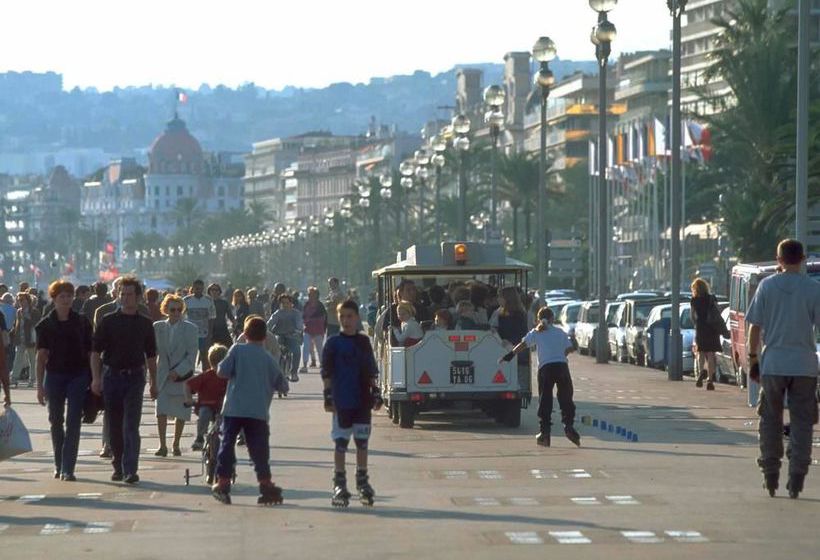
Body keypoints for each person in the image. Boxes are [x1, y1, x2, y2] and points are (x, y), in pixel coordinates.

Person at [746, 239, 820, 499]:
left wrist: (753, 358)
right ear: (802, 260)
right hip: (804, 365)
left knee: (770, 418)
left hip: (774, 363)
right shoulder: (813, 289)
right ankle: (797, 475)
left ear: (778, 260)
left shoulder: (766, 287)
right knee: (802, 421)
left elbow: (754, 326)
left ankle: (770, 472)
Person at [211, 316, 288, 505]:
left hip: (234, 409)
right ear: (265, 337)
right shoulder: (268, 358)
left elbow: (222, 371)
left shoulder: (237, 350)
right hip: (258, 411)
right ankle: (266, 484)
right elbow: (283, 385)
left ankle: (223, 483)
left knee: (227, 444)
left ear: (244, 335)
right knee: (259, 450)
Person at [90, 276, 158, 484]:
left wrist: (154, 382)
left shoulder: (145, 323)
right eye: (122, 294)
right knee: (115, 425)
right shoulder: (108, 321)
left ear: (138, 297)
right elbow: (95, 352)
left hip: (135, 377)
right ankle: (118, 465)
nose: (126, 298)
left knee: (131, 425)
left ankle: (130, 469)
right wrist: (95, 378)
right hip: (112, 376)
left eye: (130, 294)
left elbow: (151, 356)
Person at [321, 299, 381, 507]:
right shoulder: (333, 343)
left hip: (362, 400)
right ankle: (339, 482)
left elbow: (371, 368)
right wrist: (328, 395)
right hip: (341, 400)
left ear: (357, 318)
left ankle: (362, 481)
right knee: (341, 443)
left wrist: (375, 391)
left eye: (350, 316)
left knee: (362, 442)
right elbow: (327, 372)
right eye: (342, 317)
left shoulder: (363, 342)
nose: (346, 320)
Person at [34, 280, 93, 480]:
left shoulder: (82, 321)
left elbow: (91, 351)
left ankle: (68, 468)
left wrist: (95, 378)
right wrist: (40, 387)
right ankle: (58, 464)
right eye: (62, 297)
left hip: (78, 375)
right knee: (55, 420)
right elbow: (41, 357)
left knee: (74, 420)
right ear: (54, 299)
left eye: (69, 296)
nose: (66, 300)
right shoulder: (46, 324)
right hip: (55, 376)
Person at [500, 307, 580, 448]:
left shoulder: (536, 333)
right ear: (552, 319)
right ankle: (569, 427)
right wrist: (559, 355)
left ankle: (544, 434)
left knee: (545, 400)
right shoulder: (560, 332)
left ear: (538, 319)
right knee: (566, 398)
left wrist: (509, 356)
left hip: (545, 369)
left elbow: (522, 345)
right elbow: (569, 348)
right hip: (562, 367)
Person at [153, 294, 198, 457]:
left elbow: (193, 354)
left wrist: (178, 371)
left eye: (179, 309)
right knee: (161, 410)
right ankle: (162, 445)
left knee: (181, 411)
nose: (176, 312)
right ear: (166, 310)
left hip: (182, 376)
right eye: (173, 309)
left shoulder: (191, 329)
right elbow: (152, 352)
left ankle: (176, 443)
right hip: (163, 375)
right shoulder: (157, 327)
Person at [186, 344, 229, 451]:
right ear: (211, 363)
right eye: (215, 365)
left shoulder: (229, 377)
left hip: (223, 407)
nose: (218, 369)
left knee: (234, 417)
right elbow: (188, 385)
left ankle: (238, 437)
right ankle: (200, 438)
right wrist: (189, 399)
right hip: (206, 405)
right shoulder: (206, 376)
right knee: (204, 414)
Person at [689, 278, 728, 391]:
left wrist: (697, 323)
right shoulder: (712, 298)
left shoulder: (694, 300)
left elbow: (692, 316)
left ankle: (701, 373)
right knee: (711, 354)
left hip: (701, 328)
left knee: (700, 353)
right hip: (712, 328)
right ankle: (710, 379)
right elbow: (718, 311)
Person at [491, 287, 531, 391]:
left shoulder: (519, 315)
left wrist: (510, 341)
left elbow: (522, 333)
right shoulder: (500, 313)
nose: (498, 299)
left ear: (507, 298)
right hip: (504, 349)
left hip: (514, 352)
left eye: (500, 296)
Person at [267, 294, 304, 382]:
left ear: (291, 303)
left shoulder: (296, 313)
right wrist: (266, 329)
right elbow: (270, 323)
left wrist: (298, 330)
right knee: (275, 352)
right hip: (279, 335)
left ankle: (294, 372)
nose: (285, 305)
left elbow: (299, 324)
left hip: (292, 336)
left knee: (297, 351)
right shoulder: (278, 313)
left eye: (287, 303)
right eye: (283, 303)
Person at [184, 279, 216, 372]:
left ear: (203, 288)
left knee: (204, 357)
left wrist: (210, 334)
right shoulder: (186, 300)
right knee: (189, 357)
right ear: (193, 288)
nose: (198, 290)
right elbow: (181, 317)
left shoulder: (208, 300)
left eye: (200, 288)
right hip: (189, 334)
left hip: (204, 334)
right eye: (196, 288)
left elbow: (212, 317)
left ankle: (205, 376)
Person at [11, 292, 41, 387]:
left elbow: (37, 324)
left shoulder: (34, 311)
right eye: (19, 300)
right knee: (18, 359)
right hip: (21, 338)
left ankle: (32, 379)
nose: (20, 302)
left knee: (32, 360)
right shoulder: (19, 311)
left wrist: (28, 318)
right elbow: (16, 325)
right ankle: (14, 378)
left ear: (28, 301)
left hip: (31, 339)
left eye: (22, 300)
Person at [301, 287, 327, 372]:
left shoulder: (320, 306)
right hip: (308, 329)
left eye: (312, 294)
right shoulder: (306, 305)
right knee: (306, 346)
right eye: (309, 294)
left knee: (319, 348)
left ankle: (322, 364)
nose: (310, 296)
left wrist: (324, 329)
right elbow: (303, 316)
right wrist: (304, 322)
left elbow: (324, 318)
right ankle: (305, 365)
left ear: (316, 295)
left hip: (318, 330)